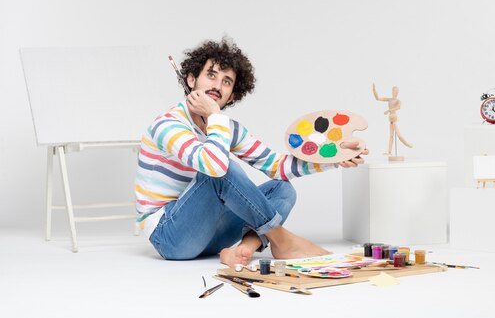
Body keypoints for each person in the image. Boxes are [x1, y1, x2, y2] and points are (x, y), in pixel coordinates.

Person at [135, 37, 368, 267]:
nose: (217, 86)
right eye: (211, 75)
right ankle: (282, 239)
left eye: (227, 81)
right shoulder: (168, 124)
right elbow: (214, 166)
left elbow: (277, 167)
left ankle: (242, 249)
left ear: (233, 95)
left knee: (282, 189)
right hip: (171, 237)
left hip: (212, 236)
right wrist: (215, 115)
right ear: (191, 79)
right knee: (221, 169)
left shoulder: (225, 128)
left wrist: (336, 158)